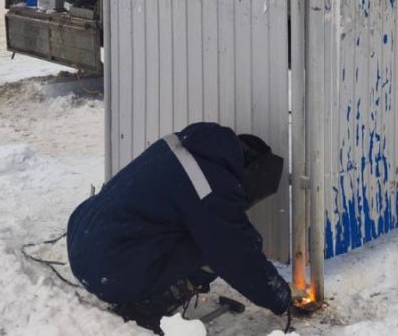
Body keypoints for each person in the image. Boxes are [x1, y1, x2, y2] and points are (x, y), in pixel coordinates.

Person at [66, 122, 298, 333]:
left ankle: (140, 284)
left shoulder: (187, 147)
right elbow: (238, 255)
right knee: (216, 247)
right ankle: (146, 307)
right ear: (247, 175)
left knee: (204, 233)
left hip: (83, 241)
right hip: (108, 271)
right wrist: (280, 297)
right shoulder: (209, 188)